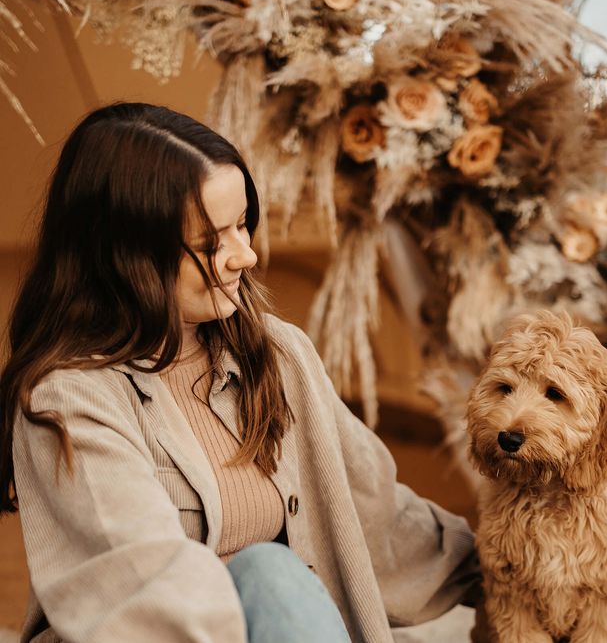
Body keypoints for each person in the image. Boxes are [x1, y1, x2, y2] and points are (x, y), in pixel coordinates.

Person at [0, 103, 480, 643]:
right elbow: (147, 586)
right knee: (268, 573)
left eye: (243, 225)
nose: (245, 256)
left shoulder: (279, 353)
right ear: (127, 254)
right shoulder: (69, 398)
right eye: (211, 243)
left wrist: (509, 571)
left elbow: (375, 514)